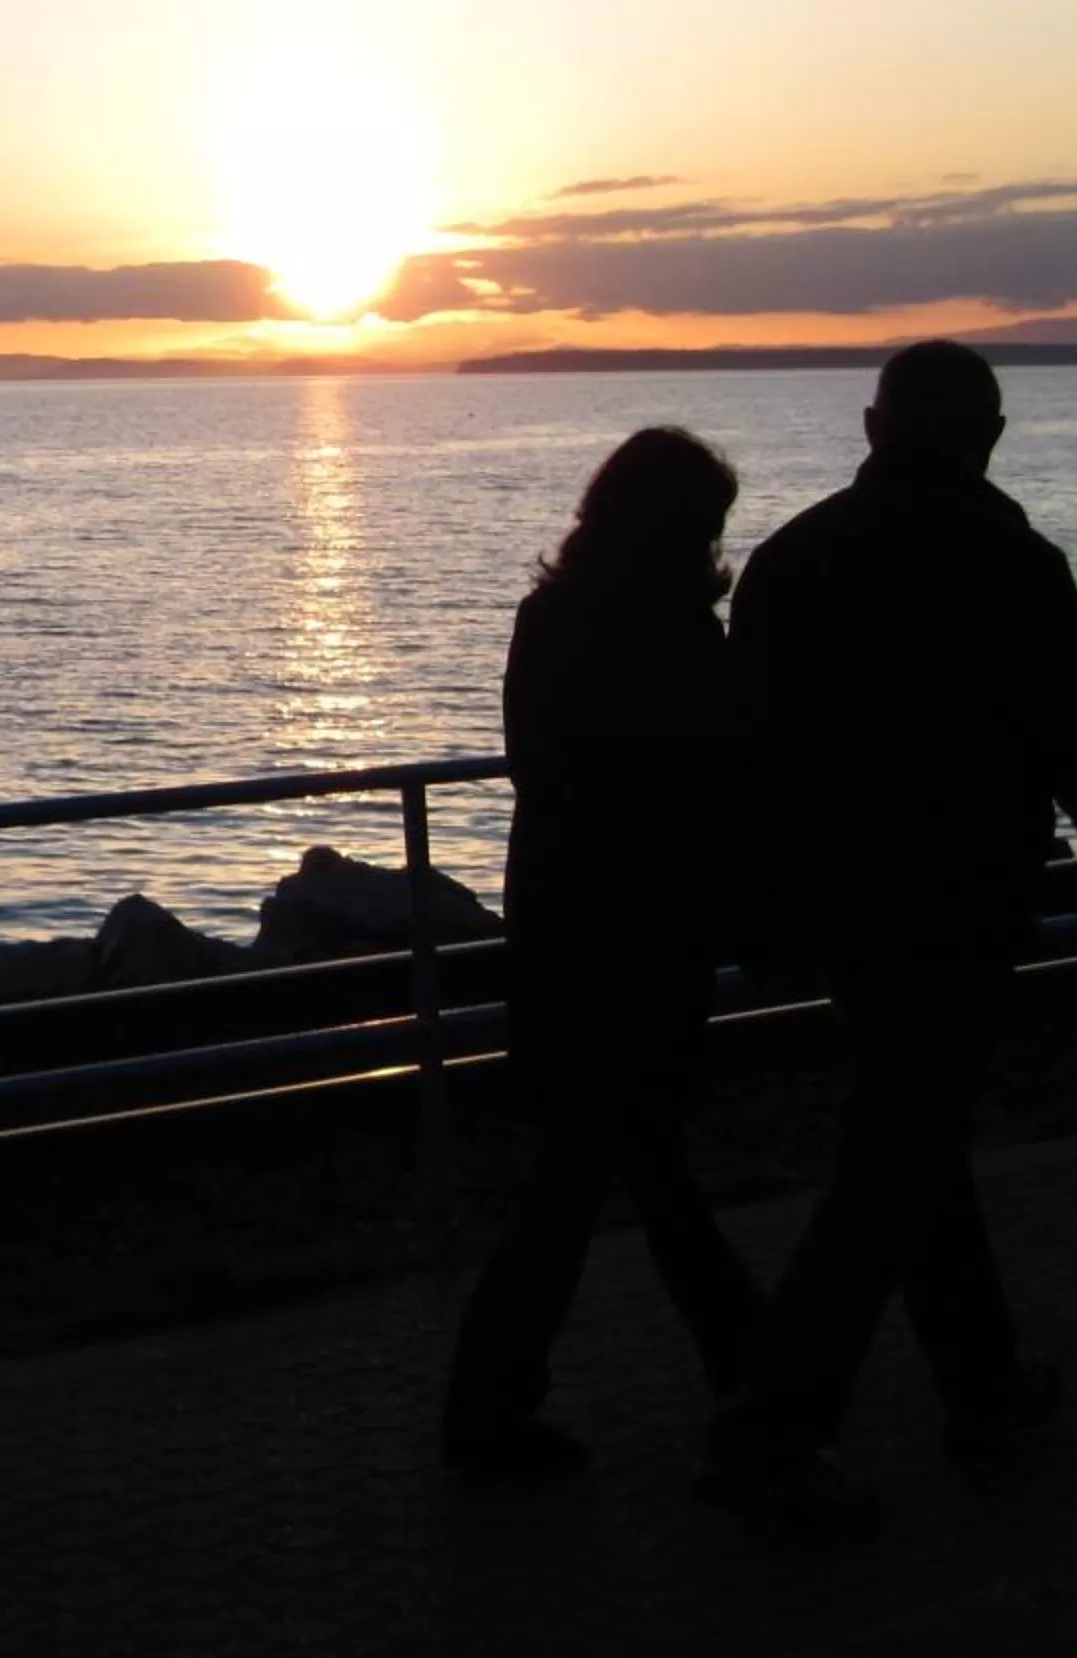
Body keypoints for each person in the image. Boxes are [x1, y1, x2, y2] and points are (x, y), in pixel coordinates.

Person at [703, 340, 1077, 1529]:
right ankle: (773, 1425)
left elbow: (740, 762)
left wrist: (752, 906)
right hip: (959, 899)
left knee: (912, 1140)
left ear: (873, 426)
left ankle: (982, 1388)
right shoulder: (1012, 561)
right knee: (898, 1156)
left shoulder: (789, 561)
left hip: (837, 904)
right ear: (990, 436)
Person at [442, 426, 767, 1476]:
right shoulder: (683, 640)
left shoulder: (550, 621)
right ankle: (756, 1378)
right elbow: (713, 792)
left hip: (561, 936)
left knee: (589, 1177)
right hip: (646, 944)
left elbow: (541, 774)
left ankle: (500, 1405)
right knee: (626, 1175)